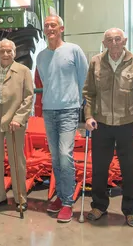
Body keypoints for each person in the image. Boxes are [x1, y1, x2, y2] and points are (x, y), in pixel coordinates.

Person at [83, 28, 133, 228]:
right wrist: (88, 116)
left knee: (129, 170)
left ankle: (130, 210)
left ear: (125, 41)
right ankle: (99, 205)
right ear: (104, 43)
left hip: (128, 124)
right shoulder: (96, 62)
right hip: (101, 125)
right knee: (99, 169)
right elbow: (89, 93)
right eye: (110, 40)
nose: (114, 43)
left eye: (118, 39)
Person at [36, 15, 88, 223]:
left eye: (53, 25)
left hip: (69, 110)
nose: (49, 28)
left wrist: (86, 109)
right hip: (49, 111)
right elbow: (45, 85)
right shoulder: (40, 57)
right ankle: (61, 194)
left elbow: (85, 81)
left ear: (62, 28)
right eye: (47, 26)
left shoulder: (74, 50)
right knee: (56, 157)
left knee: (65, 155)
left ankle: (67, 202)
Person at [0, 38, 34, 212]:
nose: (5, 54)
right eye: (2, 51)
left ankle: (20, 197)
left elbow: (28, 97)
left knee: (17, 160)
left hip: (14, 124)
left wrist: (18, 118)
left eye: (9, 51)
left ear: (14, 53)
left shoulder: (23, 71)